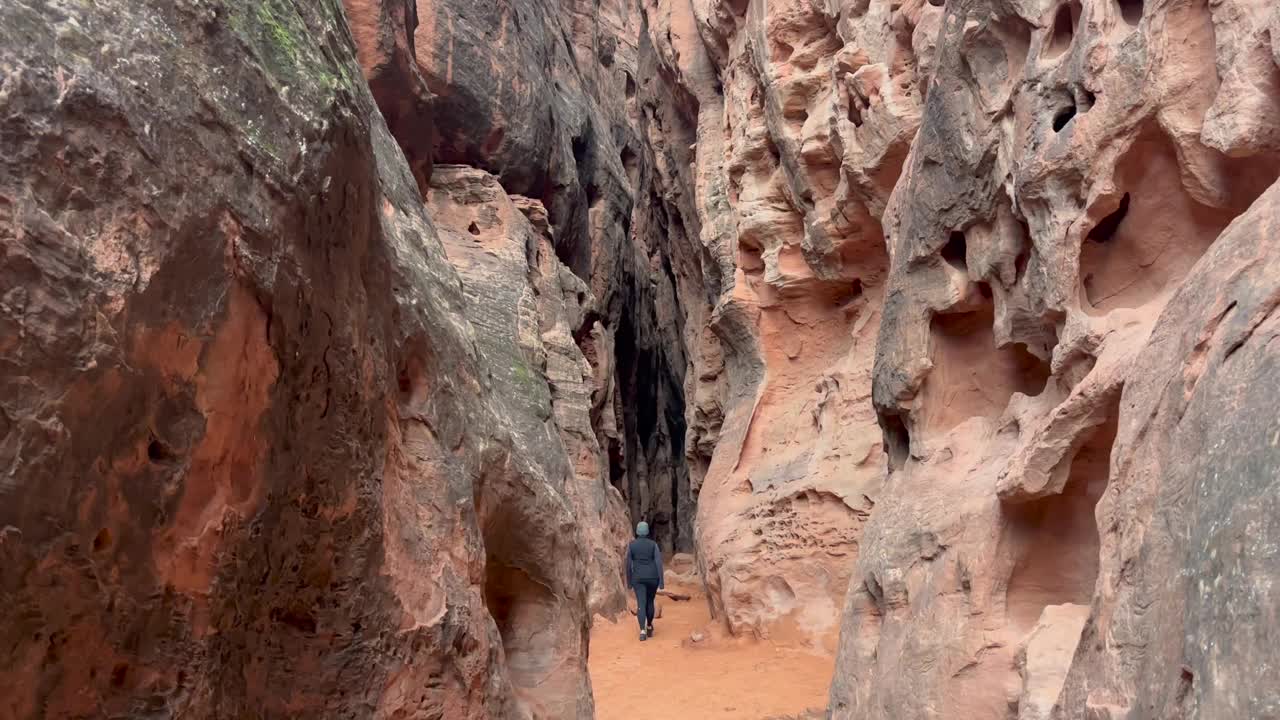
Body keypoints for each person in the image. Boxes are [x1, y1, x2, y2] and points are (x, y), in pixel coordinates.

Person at [625, 521, 663, 641]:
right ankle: (649, 625)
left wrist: (629, 580)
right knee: (650, 602)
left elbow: (628, 564)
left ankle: (642, 631)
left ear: (637, 532)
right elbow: (658, 562)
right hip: (652, 577)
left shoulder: (632, 545)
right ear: (647, 532)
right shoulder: (653, 545)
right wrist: (661, 581)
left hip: (638, 578)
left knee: (641, 603)